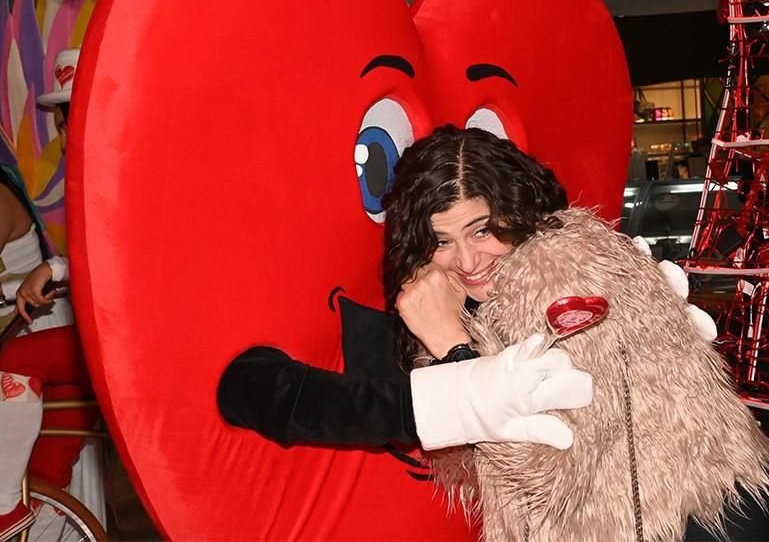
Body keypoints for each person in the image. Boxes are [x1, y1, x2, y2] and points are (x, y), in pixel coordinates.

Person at [219, 126, 710, 454]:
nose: (470, 262)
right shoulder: (414, 316)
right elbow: (254, 392)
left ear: (522, 216)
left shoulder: (576, 296)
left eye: (483, 230)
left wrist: (453, 351)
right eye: (441, 241)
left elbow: (550, 465)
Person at [0, 69, 97, 542]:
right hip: (12, 346)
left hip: (31, 339)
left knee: (32, 471)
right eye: (62, 125)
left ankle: (10, 509)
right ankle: (17, 513)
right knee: (43, 477)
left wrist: (29, 280)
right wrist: (4, 289)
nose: (64, 137)